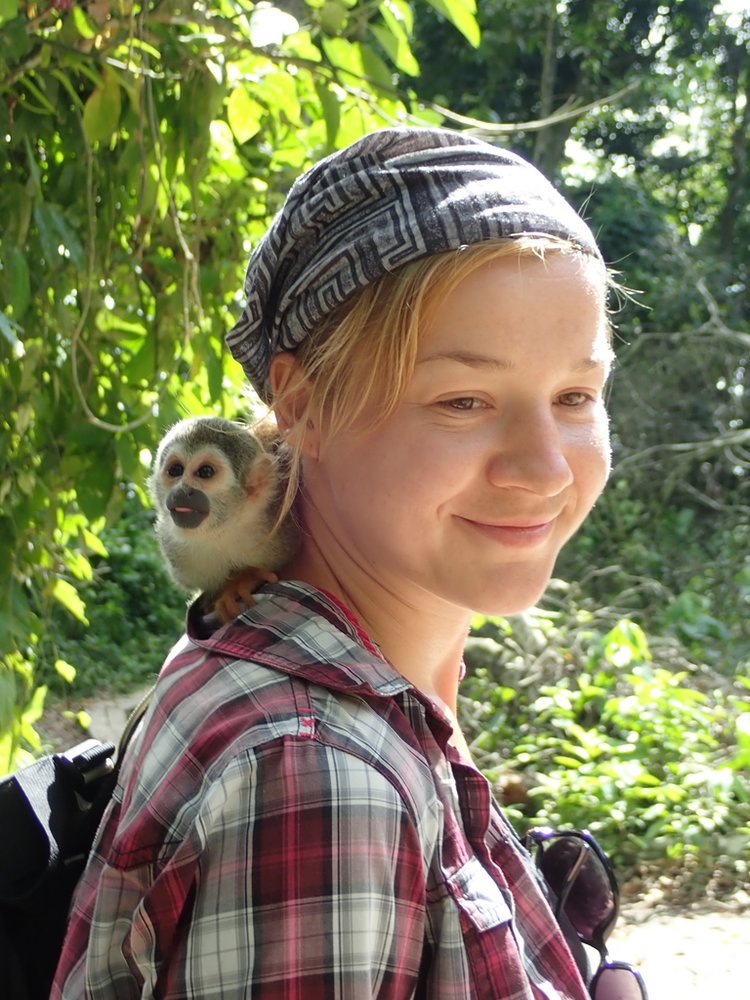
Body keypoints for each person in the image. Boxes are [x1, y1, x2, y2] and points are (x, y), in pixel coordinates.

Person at [52, 127, 615, 998]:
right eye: (463, 400)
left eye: (576, 395)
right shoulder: (315, 775)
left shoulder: (337, 682)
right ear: (302, 403)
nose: (545, 467)